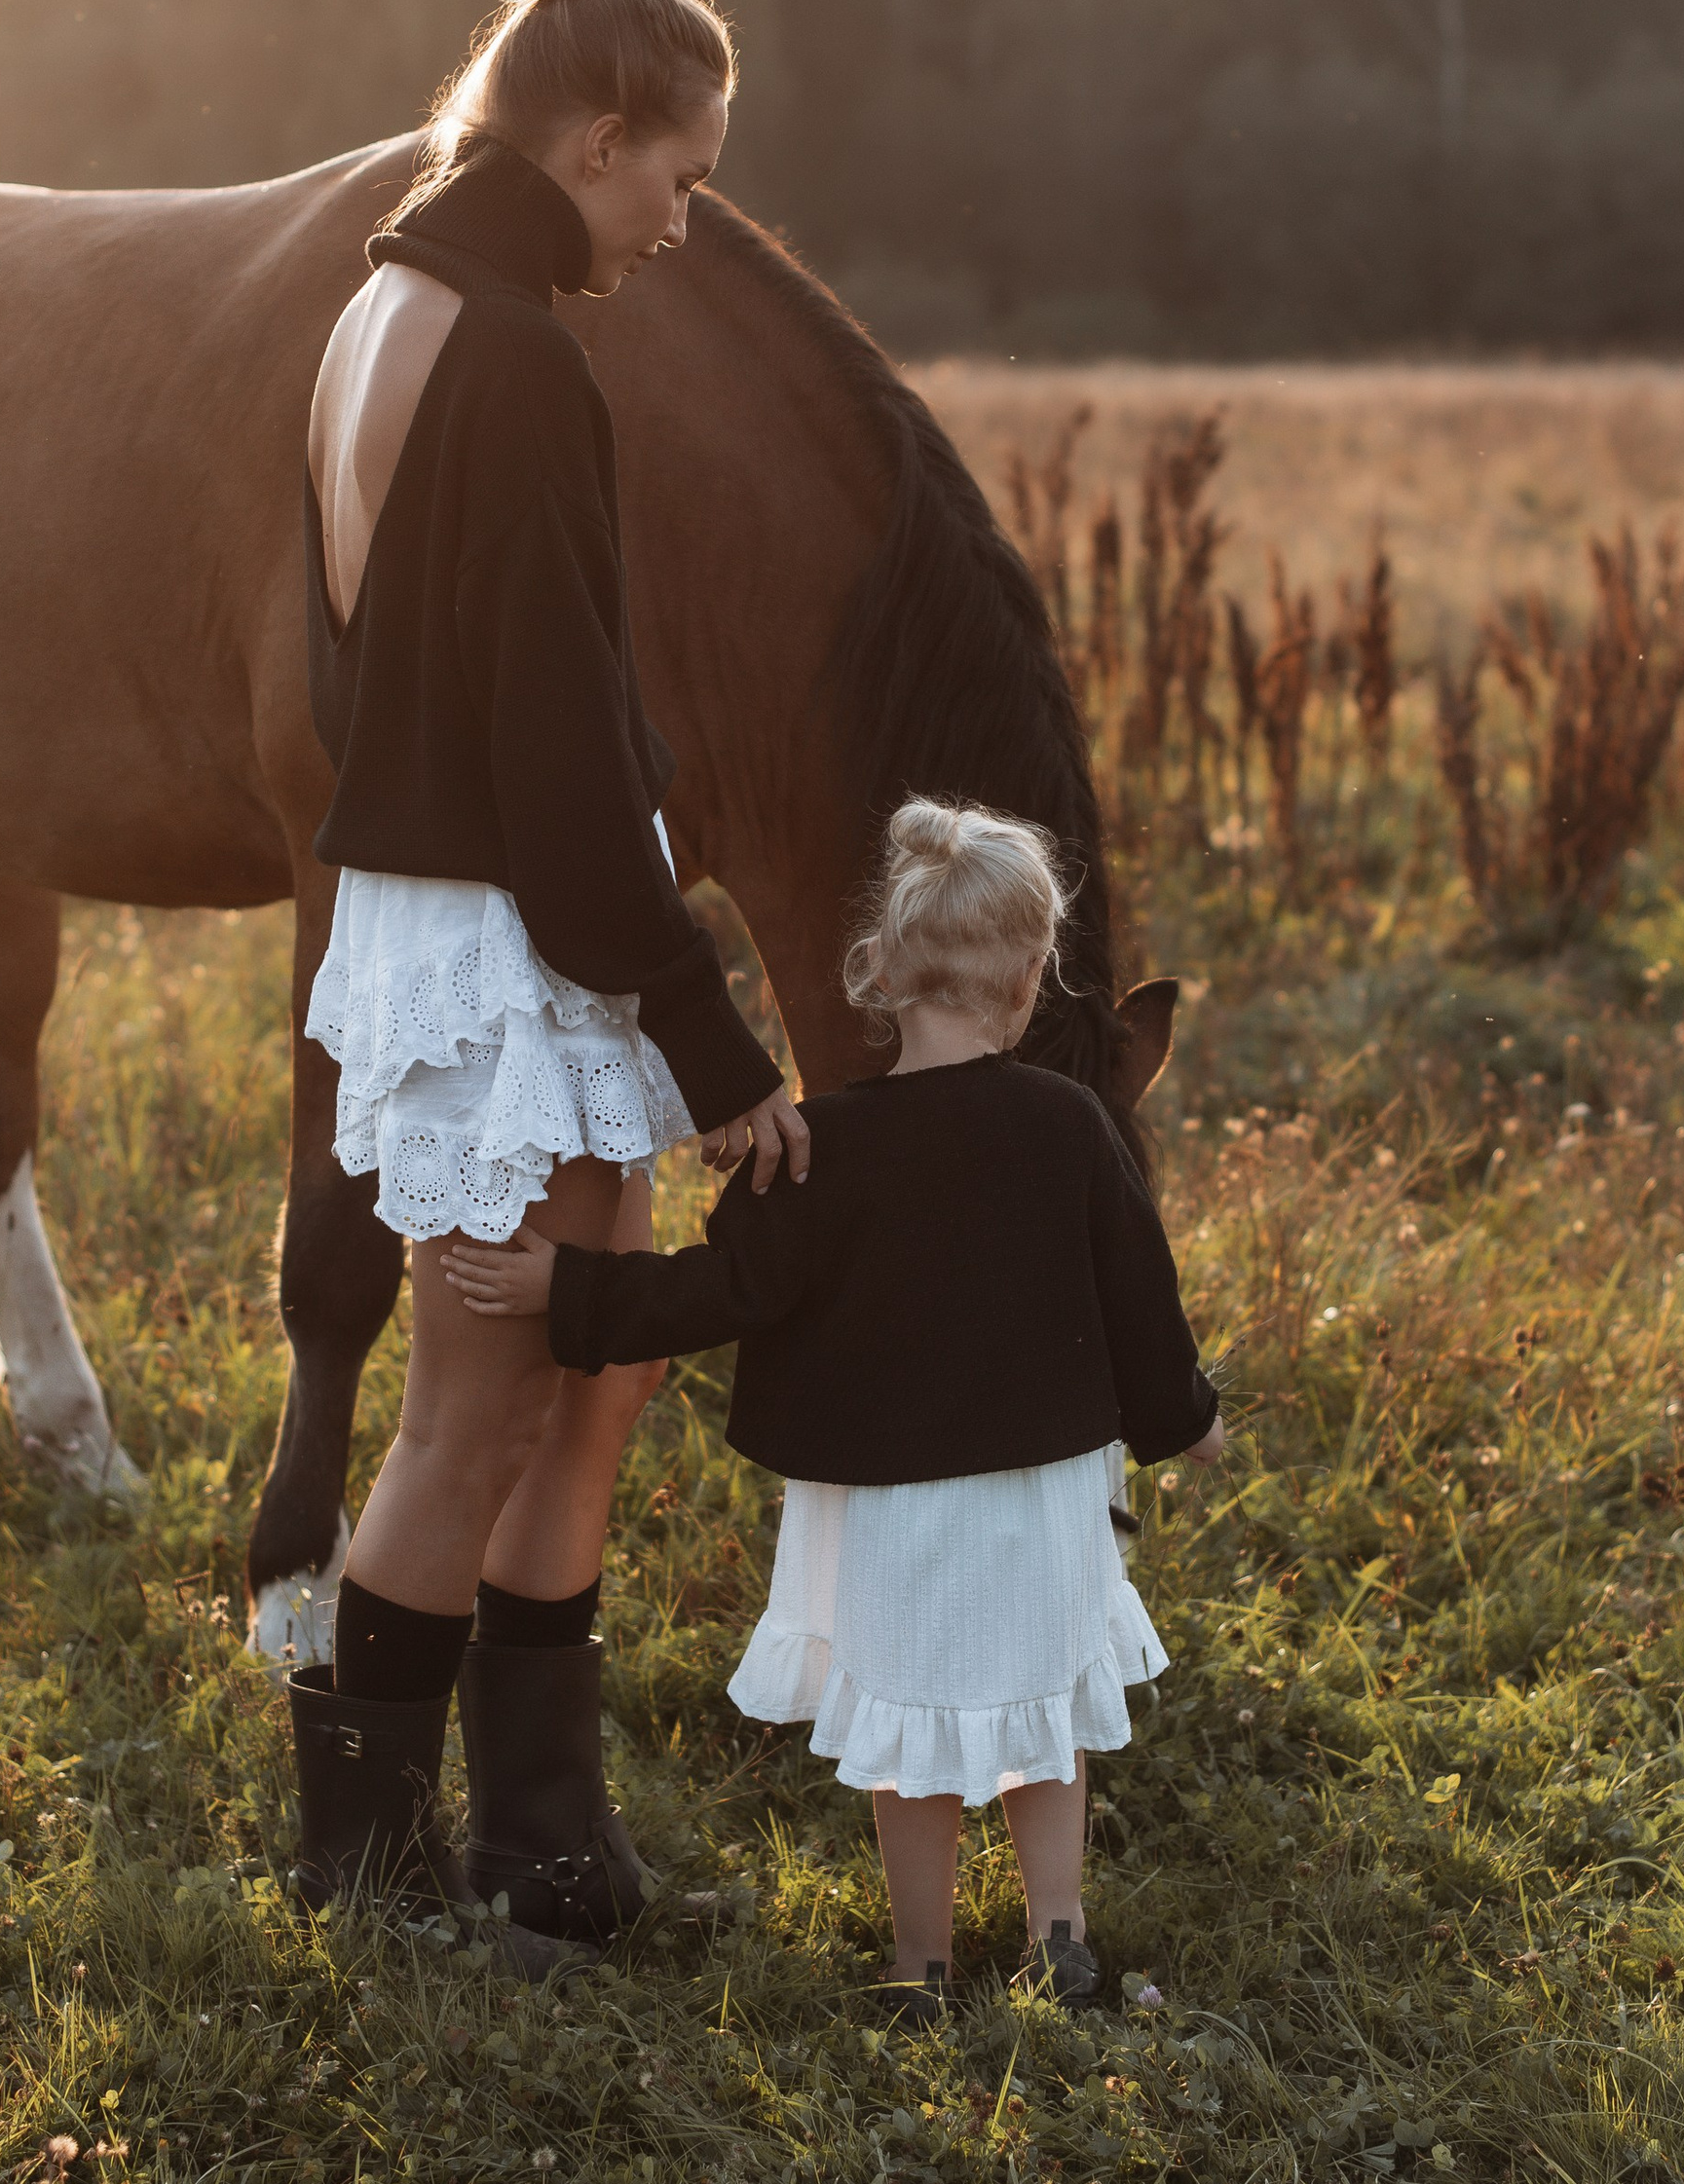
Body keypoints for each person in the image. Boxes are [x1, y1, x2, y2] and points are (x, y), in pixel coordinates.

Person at [292, 0, 807, 1964]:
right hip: (514, 938)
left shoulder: (388, 307)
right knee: (473, 1411)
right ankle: (360, 1874)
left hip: (471, 918)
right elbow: (546, 739)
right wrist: (716, 1040)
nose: (683, 224)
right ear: (596, 137)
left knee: (577, 1393)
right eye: (678, 180)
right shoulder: (509, 355)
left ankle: (545, 1851)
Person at [446, 796, 1221, 2019]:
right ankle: (1057, 1935)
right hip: (1043, 1487)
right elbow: (1141, 1292)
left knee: (909, 1736)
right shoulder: (1070, 1124)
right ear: (1027, 982)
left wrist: (569, 1290)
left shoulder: (820, 1147)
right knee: (1047, 1701)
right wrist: (1184, 1418)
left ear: (881, 976)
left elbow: (722, 1290)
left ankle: (921, 1967)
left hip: (888, 1498)